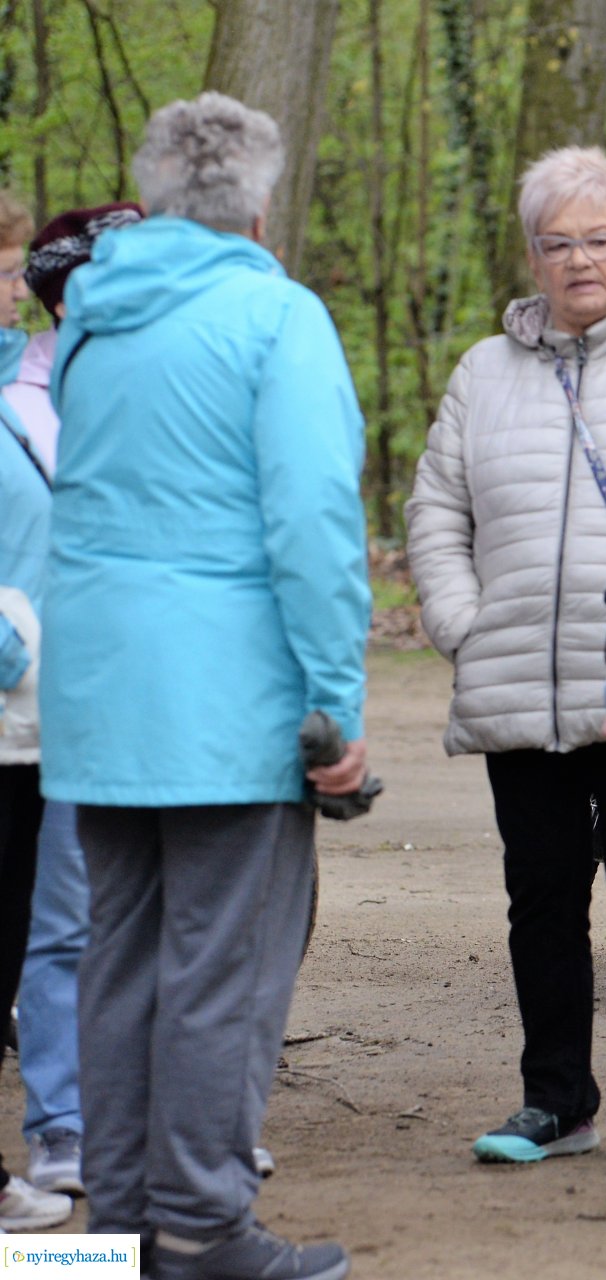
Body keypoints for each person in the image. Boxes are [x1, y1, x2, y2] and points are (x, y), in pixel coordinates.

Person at [39, 92, 368, 1279]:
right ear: (261, 206)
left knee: (116, 961)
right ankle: (207, 1228)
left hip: (100, 688)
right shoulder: (276, 315)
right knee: (222, 973)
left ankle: (108, 1237)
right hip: (228, 696)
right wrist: (336, 707)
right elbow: (316, 521)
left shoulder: (90, 315)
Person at [407, 145, 606, 1167]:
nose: (578, 260)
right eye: (557, 243)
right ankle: (555, 1098)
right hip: (515, 680)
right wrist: (464, 620)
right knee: (539, 892)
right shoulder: (483, 372)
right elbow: (436, 508)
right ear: (532, 255)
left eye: (598, 240)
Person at [8, 201, 142, 1201]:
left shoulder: (165, 383)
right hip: (43, 703)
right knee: (61, 917)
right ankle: (62, 1121)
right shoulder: (20, 396)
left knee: (158, 916)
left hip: (157, 692)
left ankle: (163, 1125)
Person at [0, 187, 76, 1236]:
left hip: (48, 721)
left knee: (43, 934)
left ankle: (64, 1135)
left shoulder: (43, 382)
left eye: (9, 257)